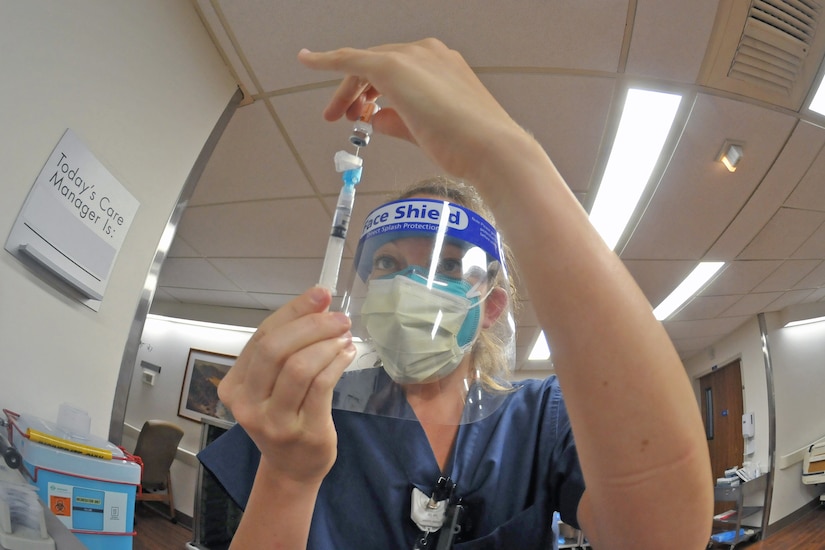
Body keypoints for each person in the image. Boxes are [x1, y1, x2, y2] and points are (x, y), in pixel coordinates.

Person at [201, 39, 713, 549]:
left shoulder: (539, 419)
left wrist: (508, 161)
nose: (409, 288)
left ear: (490, 306)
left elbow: (665, 538)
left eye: (448, 266)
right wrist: (288, 477)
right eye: (388, 264)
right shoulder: (310, 411)